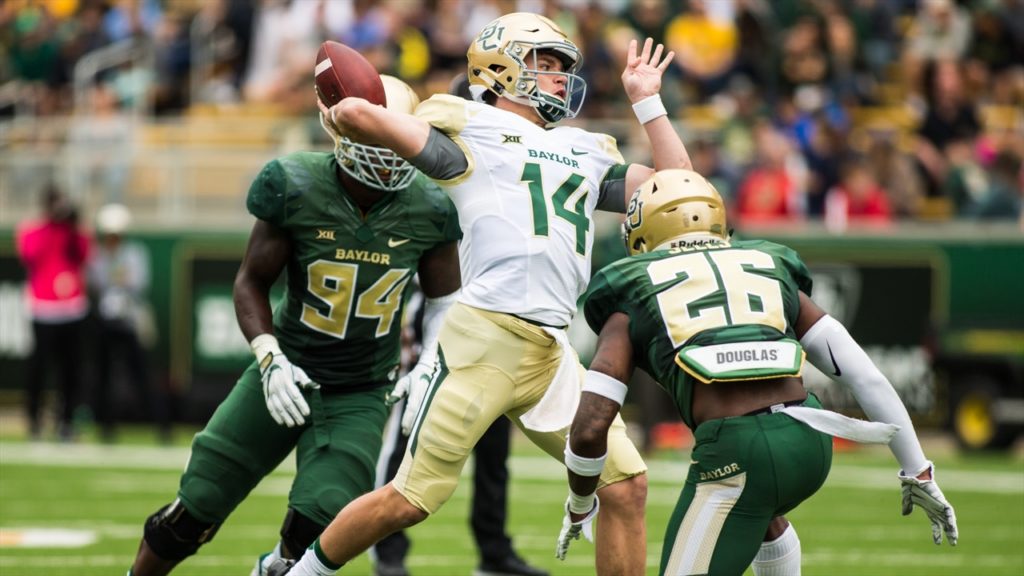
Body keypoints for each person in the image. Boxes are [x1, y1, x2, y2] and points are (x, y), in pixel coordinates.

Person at [280, 12, 692, 576]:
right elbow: (358, 116)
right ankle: (293, 573)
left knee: (625, 486)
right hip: (484, 339)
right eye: (543, 64)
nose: (556, 77)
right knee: (411, 499)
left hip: (552, 351)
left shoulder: (585, 148)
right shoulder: (466, 125)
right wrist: (353, 104)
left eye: (560, 67)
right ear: (500, 69)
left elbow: (683, 188)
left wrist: (649, 104)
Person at [126, 74, 462, 576]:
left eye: (394, 134)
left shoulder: (430, 207)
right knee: (194, 507)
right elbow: (251, 282)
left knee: (319, 523)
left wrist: (430, 364)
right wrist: (268, 356)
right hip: (287, 369)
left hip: (360, 389)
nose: (386, 151)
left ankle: (277, 568)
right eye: (374, 136)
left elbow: (445, 303)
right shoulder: (296, 183)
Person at [563, 169, 959, 576]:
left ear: (643, 233)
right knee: (761, 513)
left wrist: (579, 504)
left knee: (748, 497)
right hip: (810, 441)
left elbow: (593, 426)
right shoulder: (767, 262)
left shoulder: (630, 286)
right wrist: (918, 469)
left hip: (738, 454)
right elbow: (864, 376)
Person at [373, 283, 547, 576]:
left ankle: (494, 553)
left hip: (498, 329)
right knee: (407, 440)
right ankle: (388, 551)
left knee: (494, 457)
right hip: (443, 317)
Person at [15, 184, 92, 441]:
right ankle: (34, 421)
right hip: (44, 308)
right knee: (39, 368)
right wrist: (51, 225)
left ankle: (66, 422)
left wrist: (72, 227)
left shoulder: (74, 233)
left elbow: (83, 255)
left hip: (72, 308)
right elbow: (29, 254)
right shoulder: (34, 230)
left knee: (70, 370)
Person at [88, 202, 169, 443]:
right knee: (104, 376)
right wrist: (117, 277)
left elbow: (138, 283)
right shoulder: (98, 256)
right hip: (105, 321)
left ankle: (161, 426)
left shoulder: (135, 253)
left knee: (142, 375)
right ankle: (106, 427)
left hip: (130, 321)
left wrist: (118, 278)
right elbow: (96, 283)